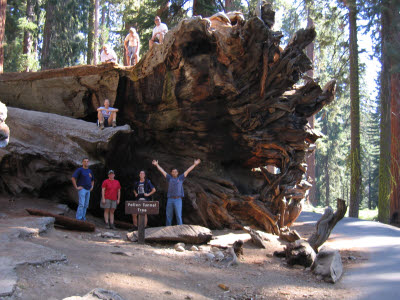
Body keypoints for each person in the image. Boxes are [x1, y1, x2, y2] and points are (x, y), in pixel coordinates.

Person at [152, 159, 201, 226]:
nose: (174, 173)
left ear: (177, 173)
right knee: (168, 215)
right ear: (171, 173)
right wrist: (157, 165)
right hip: (170, 199)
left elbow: (188, 171)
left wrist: (194, 164)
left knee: (178, 215)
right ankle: (167, 229)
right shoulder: (169, 178)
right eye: (173, 172)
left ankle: (180, 229)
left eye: (175, 172)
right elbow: (162, 171)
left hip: (178, 199)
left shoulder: (180, 178)